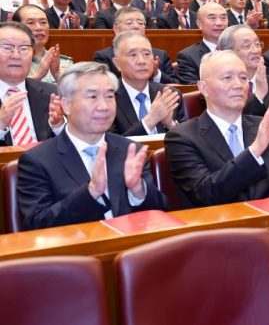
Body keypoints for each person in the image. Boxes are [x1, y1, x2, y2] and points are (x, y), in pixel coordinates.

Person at [17, 62, 167, 230]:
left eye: (109, 96)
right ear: (66, 105)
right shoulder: (37, 161)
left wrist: (138, 190)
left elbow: (160, 212)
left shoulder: (130, 151)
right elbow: (37, 224)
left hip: (129, 249)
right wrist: (91, 192)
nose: (104, 106)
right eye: (92, 97)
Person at [164, 50, 269, 207]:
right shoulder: (181, 137)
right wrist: (254, 151)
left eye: (243, 78)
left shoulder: (265, 125)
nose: (238, 85)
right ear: (204, 88)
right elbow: (206, 194)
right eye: (227, 78)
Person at [0, 21, 66, 146]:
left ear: (33, 54)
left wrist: (59, 125)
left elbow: (75, 143)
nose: (16, 55)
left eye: (24, 48)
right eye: (7, 48)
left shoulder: (51, 93)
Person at [217, 24, 269, 119]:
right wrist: (259, 95)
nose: (256, 50)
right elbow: (232, 122)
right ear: (229, 52)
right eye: (247, 46)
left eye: (257, 44)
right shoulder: (220, 86)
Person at [111, 32, 185, 136]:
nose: (141, 61)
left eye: (146, 54)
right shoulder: (108, 99)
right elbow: (110, 145)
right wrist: (150, 121)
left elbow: (189, 141)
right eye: (133, 55)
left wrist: (171, 125)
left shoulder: (170, 95)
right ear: (117, 63)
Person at [92, 7, 178, 84]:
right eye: (129, 23)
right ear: (116, 29)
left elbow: (177, 85)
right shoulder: (104, 56)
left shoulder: (160, 55)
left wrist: (156, 74)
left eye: (140, 23)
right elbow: (103, 86)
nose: (136, 26)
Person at [14, 4, 73, 84]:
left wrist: (57, 74)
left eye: (43, 22)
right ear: (17, 28)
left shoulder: (63, 62)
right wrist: (38, 76)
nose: (39, 27)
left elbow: (75, 93)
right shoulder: (11, 61)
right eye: (31, 23)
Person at [176, 2, 228, 84]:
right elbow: (193, 89)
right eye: (212, 18)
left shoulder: (238, 49)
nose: (219, 23)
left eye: (223, 18)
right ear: (199, 24)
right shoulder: (188, 56)